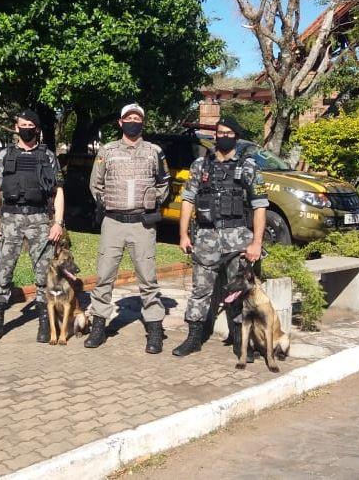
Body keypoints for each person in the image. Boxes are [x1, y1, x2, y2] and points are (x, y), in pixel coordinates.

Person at [172, 115, 268, 357]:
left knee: (238, 291)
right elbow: (188, 200)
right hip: (206, 237)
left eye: (229, 133)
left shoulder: (249, 167)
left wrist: (256, 243)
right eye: (220, 132)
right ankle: (194, 337)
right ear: (214, 135)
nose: (223, 136)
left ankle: (240, 341)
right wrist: (183, 234)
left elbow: (260, 206)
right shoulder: (200, 166)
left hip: (238, 238)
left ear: (236, 136)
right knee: (200, 290)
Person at [85, 103, 170, 353]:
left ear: (143, 122)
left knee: (148, 279)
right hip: (113, 223)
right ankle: (99, 326)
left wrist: (153, 203)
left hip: (142, 225)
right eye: (128, 118)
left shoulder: (155, 152)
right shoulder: (107, 151)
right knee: (104, 277)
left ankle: (154, 330)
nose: (133, 121)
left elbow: (165, 182)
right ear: (120, 123)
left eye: (137, 118)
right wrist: (106, 203)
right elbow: (96, 184)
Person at [0, 109, 65, 342]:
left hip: (40, 220)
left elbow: (58, 191)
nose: (26, 128)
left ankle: (44, 323)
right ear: (16, 127)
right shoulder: (4, 155)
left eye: (30, 124)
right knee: (2, 273)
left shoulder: (48, 156)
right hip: (10, 220)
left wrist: (57, 222)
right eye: (22, 124)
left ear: (37, 128)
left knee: (43, 275)